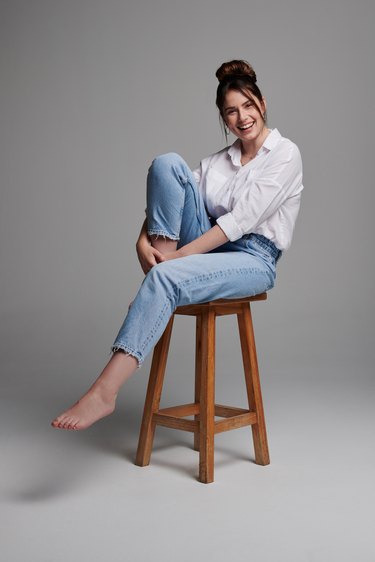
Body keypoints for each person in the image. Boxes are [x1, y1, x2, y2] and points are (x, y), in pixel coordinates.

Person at [51, 59, 303, 431]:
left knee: (166, 278)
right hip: (204, 248)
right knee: (167, 164)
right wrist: (141, 241)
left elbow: (239, 223)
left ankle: (104, 391)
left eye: (248, 106)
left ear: (262, 104)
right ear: (224, 118)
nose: (242, 117)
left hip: (253, 258)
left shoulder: (285, 154)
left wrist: (173, 264)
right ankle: (160, 278)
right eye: (231, 111)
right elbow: (169, 200)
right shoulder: (221, 161)